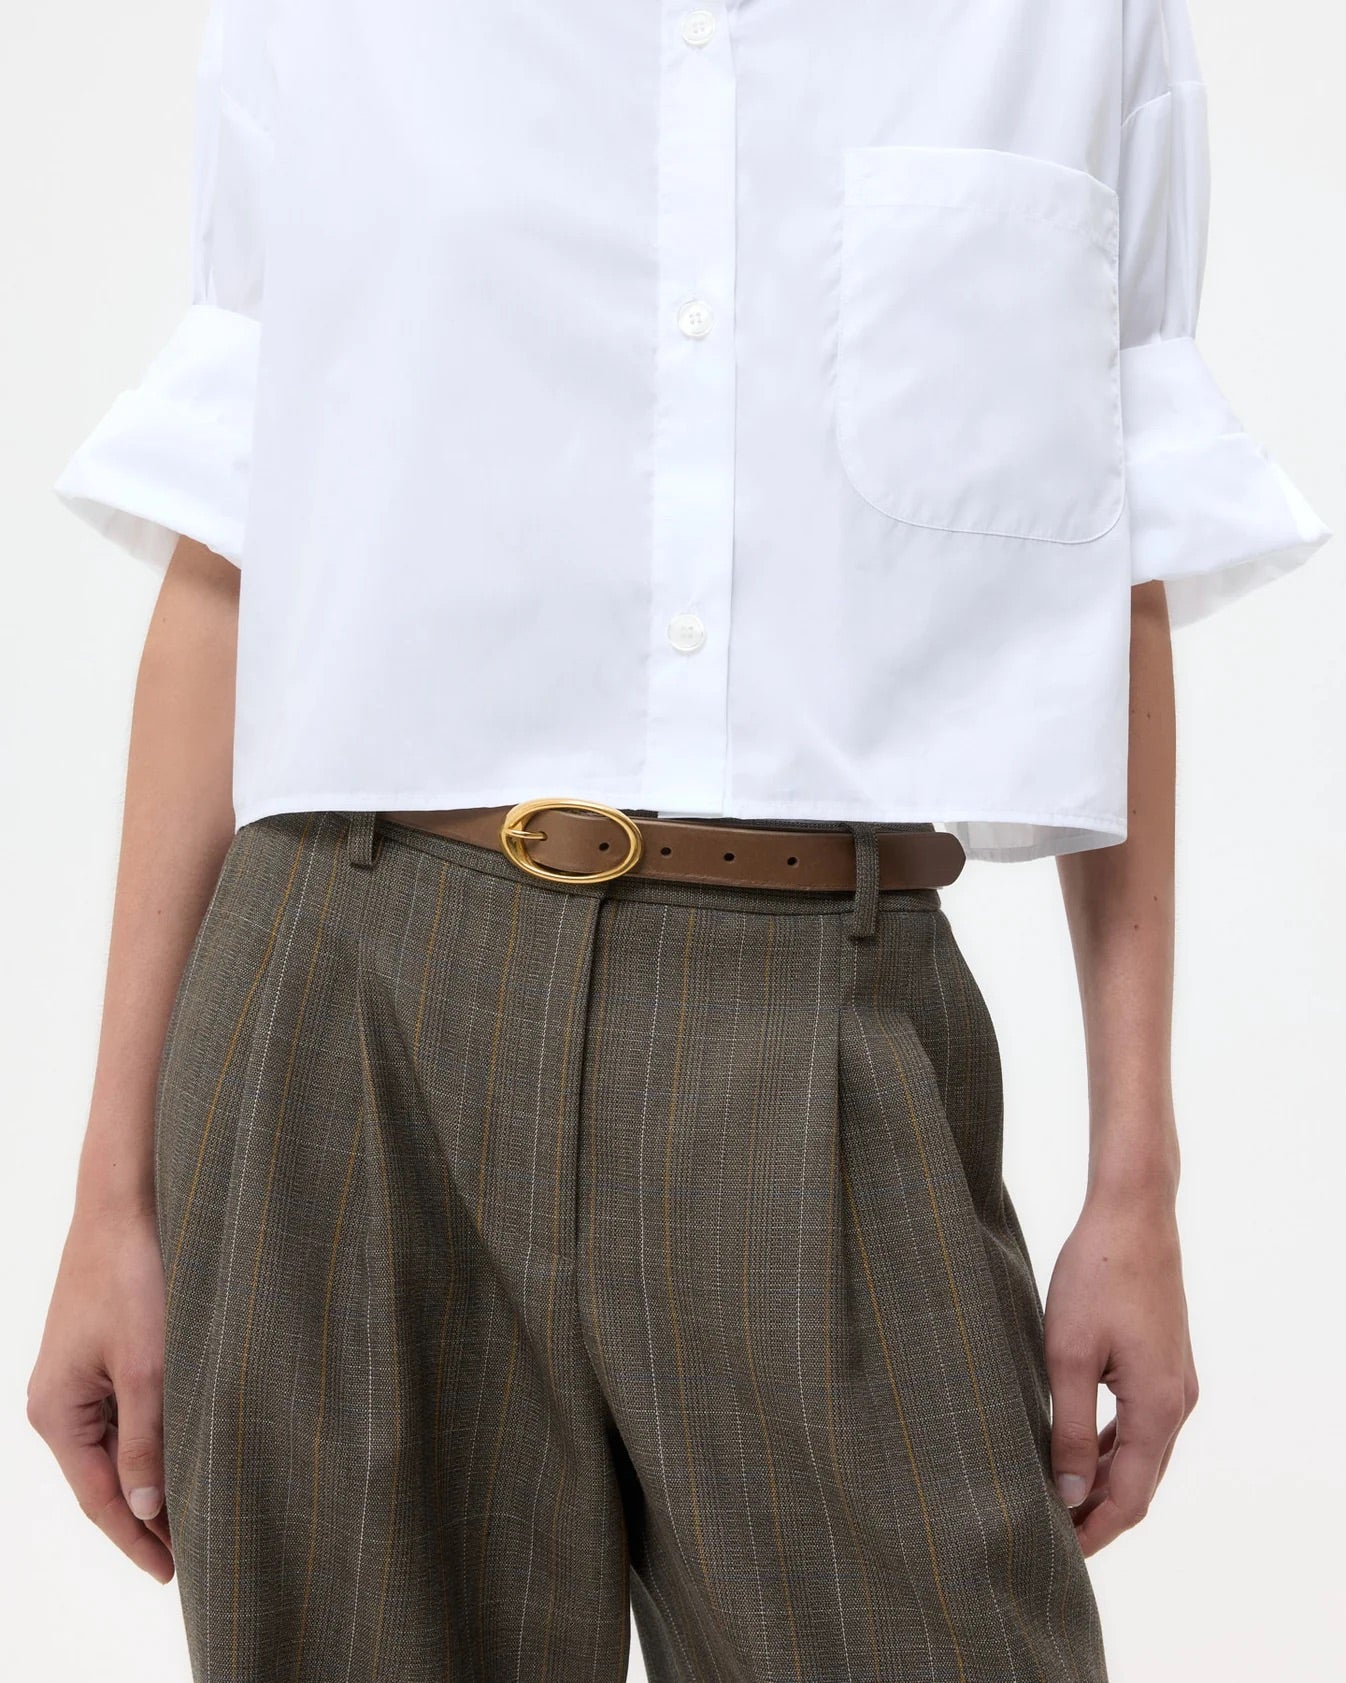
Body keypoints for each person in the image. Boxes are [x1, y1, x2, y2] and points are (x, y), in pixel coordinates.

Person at [28, 1, 1330, 1679]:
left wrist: (1134, 1185)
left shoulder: (1065, 21)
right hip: (353, 1008)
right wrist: (111, 1197)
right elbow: (228, 552)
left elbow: (1116, 565)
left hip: (815, 1023)